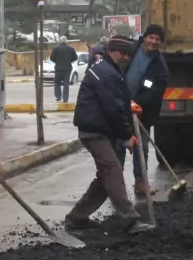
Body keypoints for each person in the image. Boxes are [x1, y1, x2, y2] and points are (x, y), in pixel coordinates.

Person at [65, 35, 153, 234]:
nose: (126, 57)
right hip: (94, 131)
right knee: (113, 170)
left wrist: (128, 105)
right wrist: (127, 136)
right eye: (122, 53)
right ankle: (131, 219)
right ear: (112, 51)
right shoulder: (106, 73)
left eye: (129, 54)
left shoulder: (110, 70)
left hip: (100, 129)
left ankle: (76, 218)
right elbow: (113, 109)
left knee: (105, 177)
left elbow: (116, 101)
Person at [125, 23, 169, 198]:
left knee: (141, 148)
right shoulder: (130, 50)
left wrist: (136, 104)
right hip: (119, 106)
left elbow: (155, 93)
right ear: (144, 37)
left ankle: (141, 183)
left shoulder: (160, 67)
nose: (154, 41)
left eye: (157, 39)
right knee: (117, 145)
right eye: (151, 37)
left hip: (141, 112)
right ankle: (112, 183)